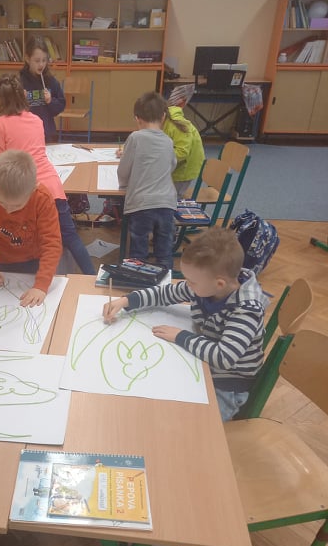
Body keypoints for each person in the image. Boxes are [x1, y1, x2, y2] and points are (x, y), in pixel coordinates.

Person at [102, 227, 268, 422]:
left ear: (219, 284)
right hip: (203, 363)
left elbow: (224, 357)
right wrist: (126, 301)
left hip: (228, 384)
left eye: (191, 282)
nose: (187, 285)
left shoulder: (246, 310)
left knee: (190, 423)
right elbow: (165, 293)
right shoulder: (203, 285)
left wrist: (181, 336)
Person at [0, 73, 95, 275]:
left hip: (24, 190)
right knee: (70, 236)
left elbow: (0, 162)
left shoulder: (0, 123)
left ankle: (31, 278)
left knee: (30, 238)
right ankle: (92, 277)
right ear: (24, 94)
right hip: (52, 186)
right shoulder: (37, 120)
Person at [0, 149, 62, 307]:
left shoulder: (42, 199)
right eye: (2, 203)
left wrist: (41, 285)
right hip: (3, 264)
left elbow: (52, 244)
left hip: (38, 261)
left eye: (17, 206)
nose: (8, 211)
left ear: (33, 189)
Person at [117, 92, 177, 270]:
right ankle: (166, 280)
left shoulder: (135, 137)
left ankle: (137, 279)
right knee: (164, 251)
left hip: (141, 205)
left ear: (137, 118)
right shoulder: (168, 141)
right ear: (163, 117)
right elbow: (172, 164)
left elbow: (124, 170)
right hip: (166, 203)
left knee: (138, 251)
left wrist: (123, 185)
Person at [20, 36, 65, 143]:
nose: (41, 64)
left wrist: (50, 101)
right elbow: (12, 111)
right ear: (27, 59)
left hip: (47, 133)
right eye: (37, 61)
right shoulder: (20, 82)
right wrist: (20, 100)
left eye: (44, 60)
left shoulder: (51, 81)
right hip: (27, 134)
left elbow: (60, 106)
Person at [162, 104, 205, 196]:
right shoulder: (162, 123)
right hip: (174, 165)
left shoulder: (176, 126)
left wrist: (160, 157)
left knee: (172, 197)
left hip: (184, 169)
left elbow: (182, 153)